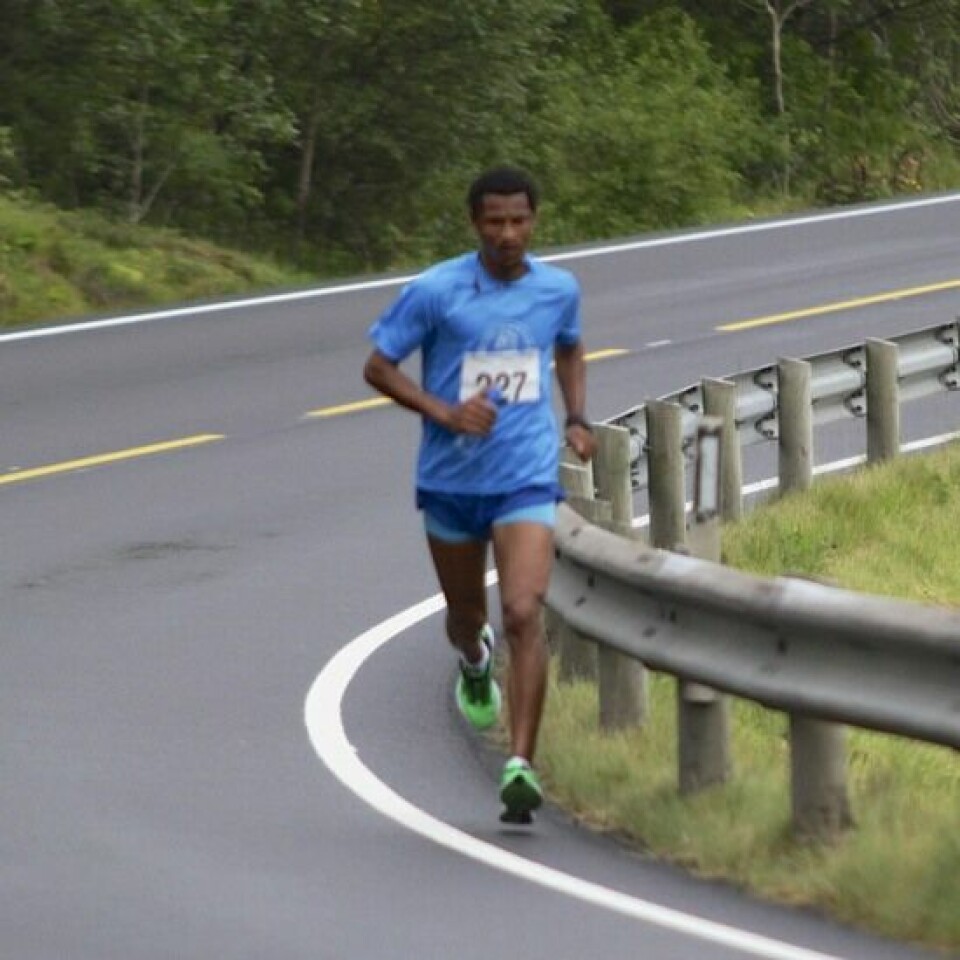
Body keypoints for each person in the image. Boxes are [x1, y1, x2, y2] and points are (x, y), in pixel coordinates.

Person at [363, 166, 597, 822]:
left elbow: (571, 350)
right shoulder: (436, 291)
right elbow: (377, 366)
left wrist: (576, 417)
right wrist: (443, 412)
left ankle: (520, 764)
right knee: (469, 617)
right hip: (450, 481)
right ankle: (474, 657)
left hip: (524, 476)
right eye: (494, 222)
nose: (507, 233)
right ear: (475, 224)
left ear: (534, 220)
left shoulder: (558, 289)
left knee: (524, 610)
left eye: (519, 220)